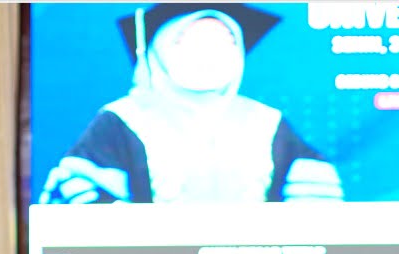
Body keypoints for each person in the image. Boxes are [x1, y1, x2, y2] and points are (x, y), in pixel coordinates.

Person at [41, 4, 341, 204]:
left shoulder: (265, 121)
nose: (210, 53)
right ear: (158, 49)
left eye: (225, 41)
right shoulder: (123, 118)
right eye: (191, 40)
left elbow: (315, 199)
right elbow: (79, 195)